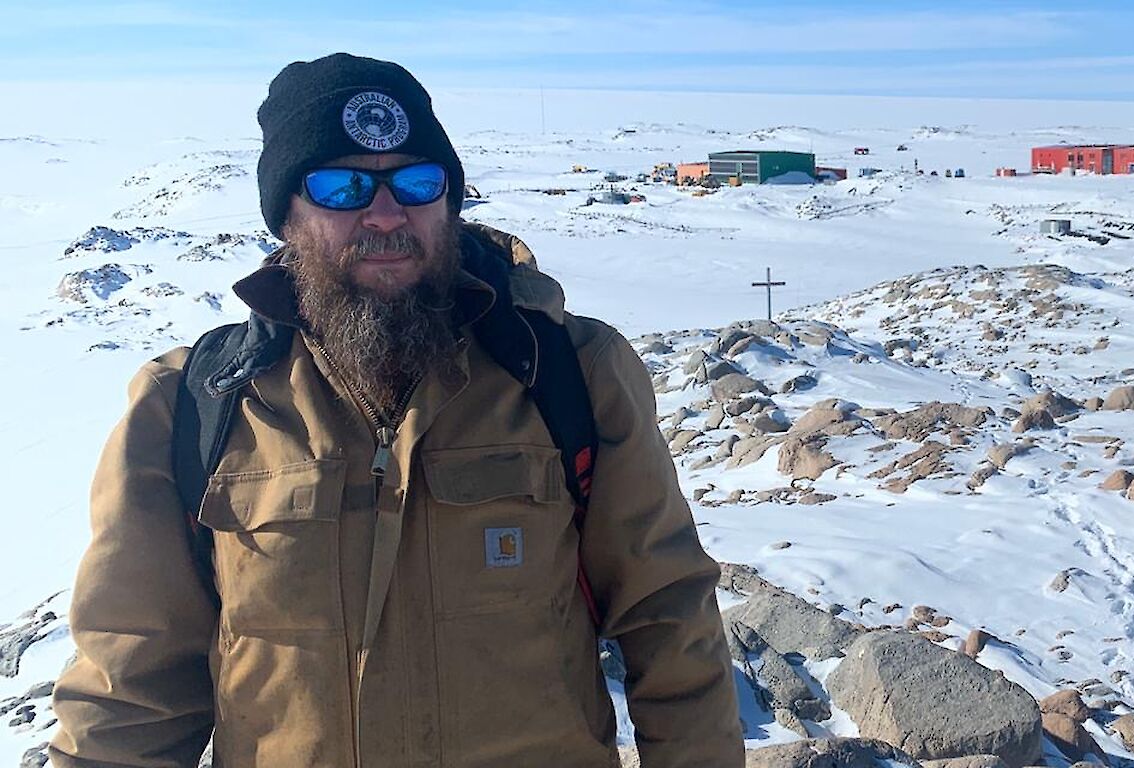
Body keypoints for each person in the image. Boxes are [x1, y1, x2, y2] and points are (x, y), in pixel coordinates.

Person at [50, 53, 743, 767]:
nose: (385, 214)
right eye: (341, 186)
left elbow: (669, 620)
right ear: (287, 214)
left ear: (449, 201)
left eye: (416, 181)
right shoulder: (195, 403)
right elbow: (131, 686)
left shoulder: (568, 372)